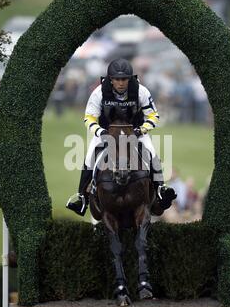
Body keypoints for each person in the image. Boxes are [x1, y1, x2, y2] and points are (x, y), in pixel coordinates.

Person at [66, 58, 174, 216]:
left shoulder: (141, 91)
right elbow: (89, 118)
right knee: (90, 157)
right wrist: (100, 132)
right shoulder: (99, 92)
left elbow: (153, 115)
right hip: (105, 132)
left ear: (130, 79)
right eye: (117, 79)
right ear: (111, 79)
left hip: (135, 131)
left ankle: (160, 189)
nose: (121, 83)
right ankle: (82, 198)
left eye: (124, 79)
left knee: (151, 153)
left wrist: (141, 130)